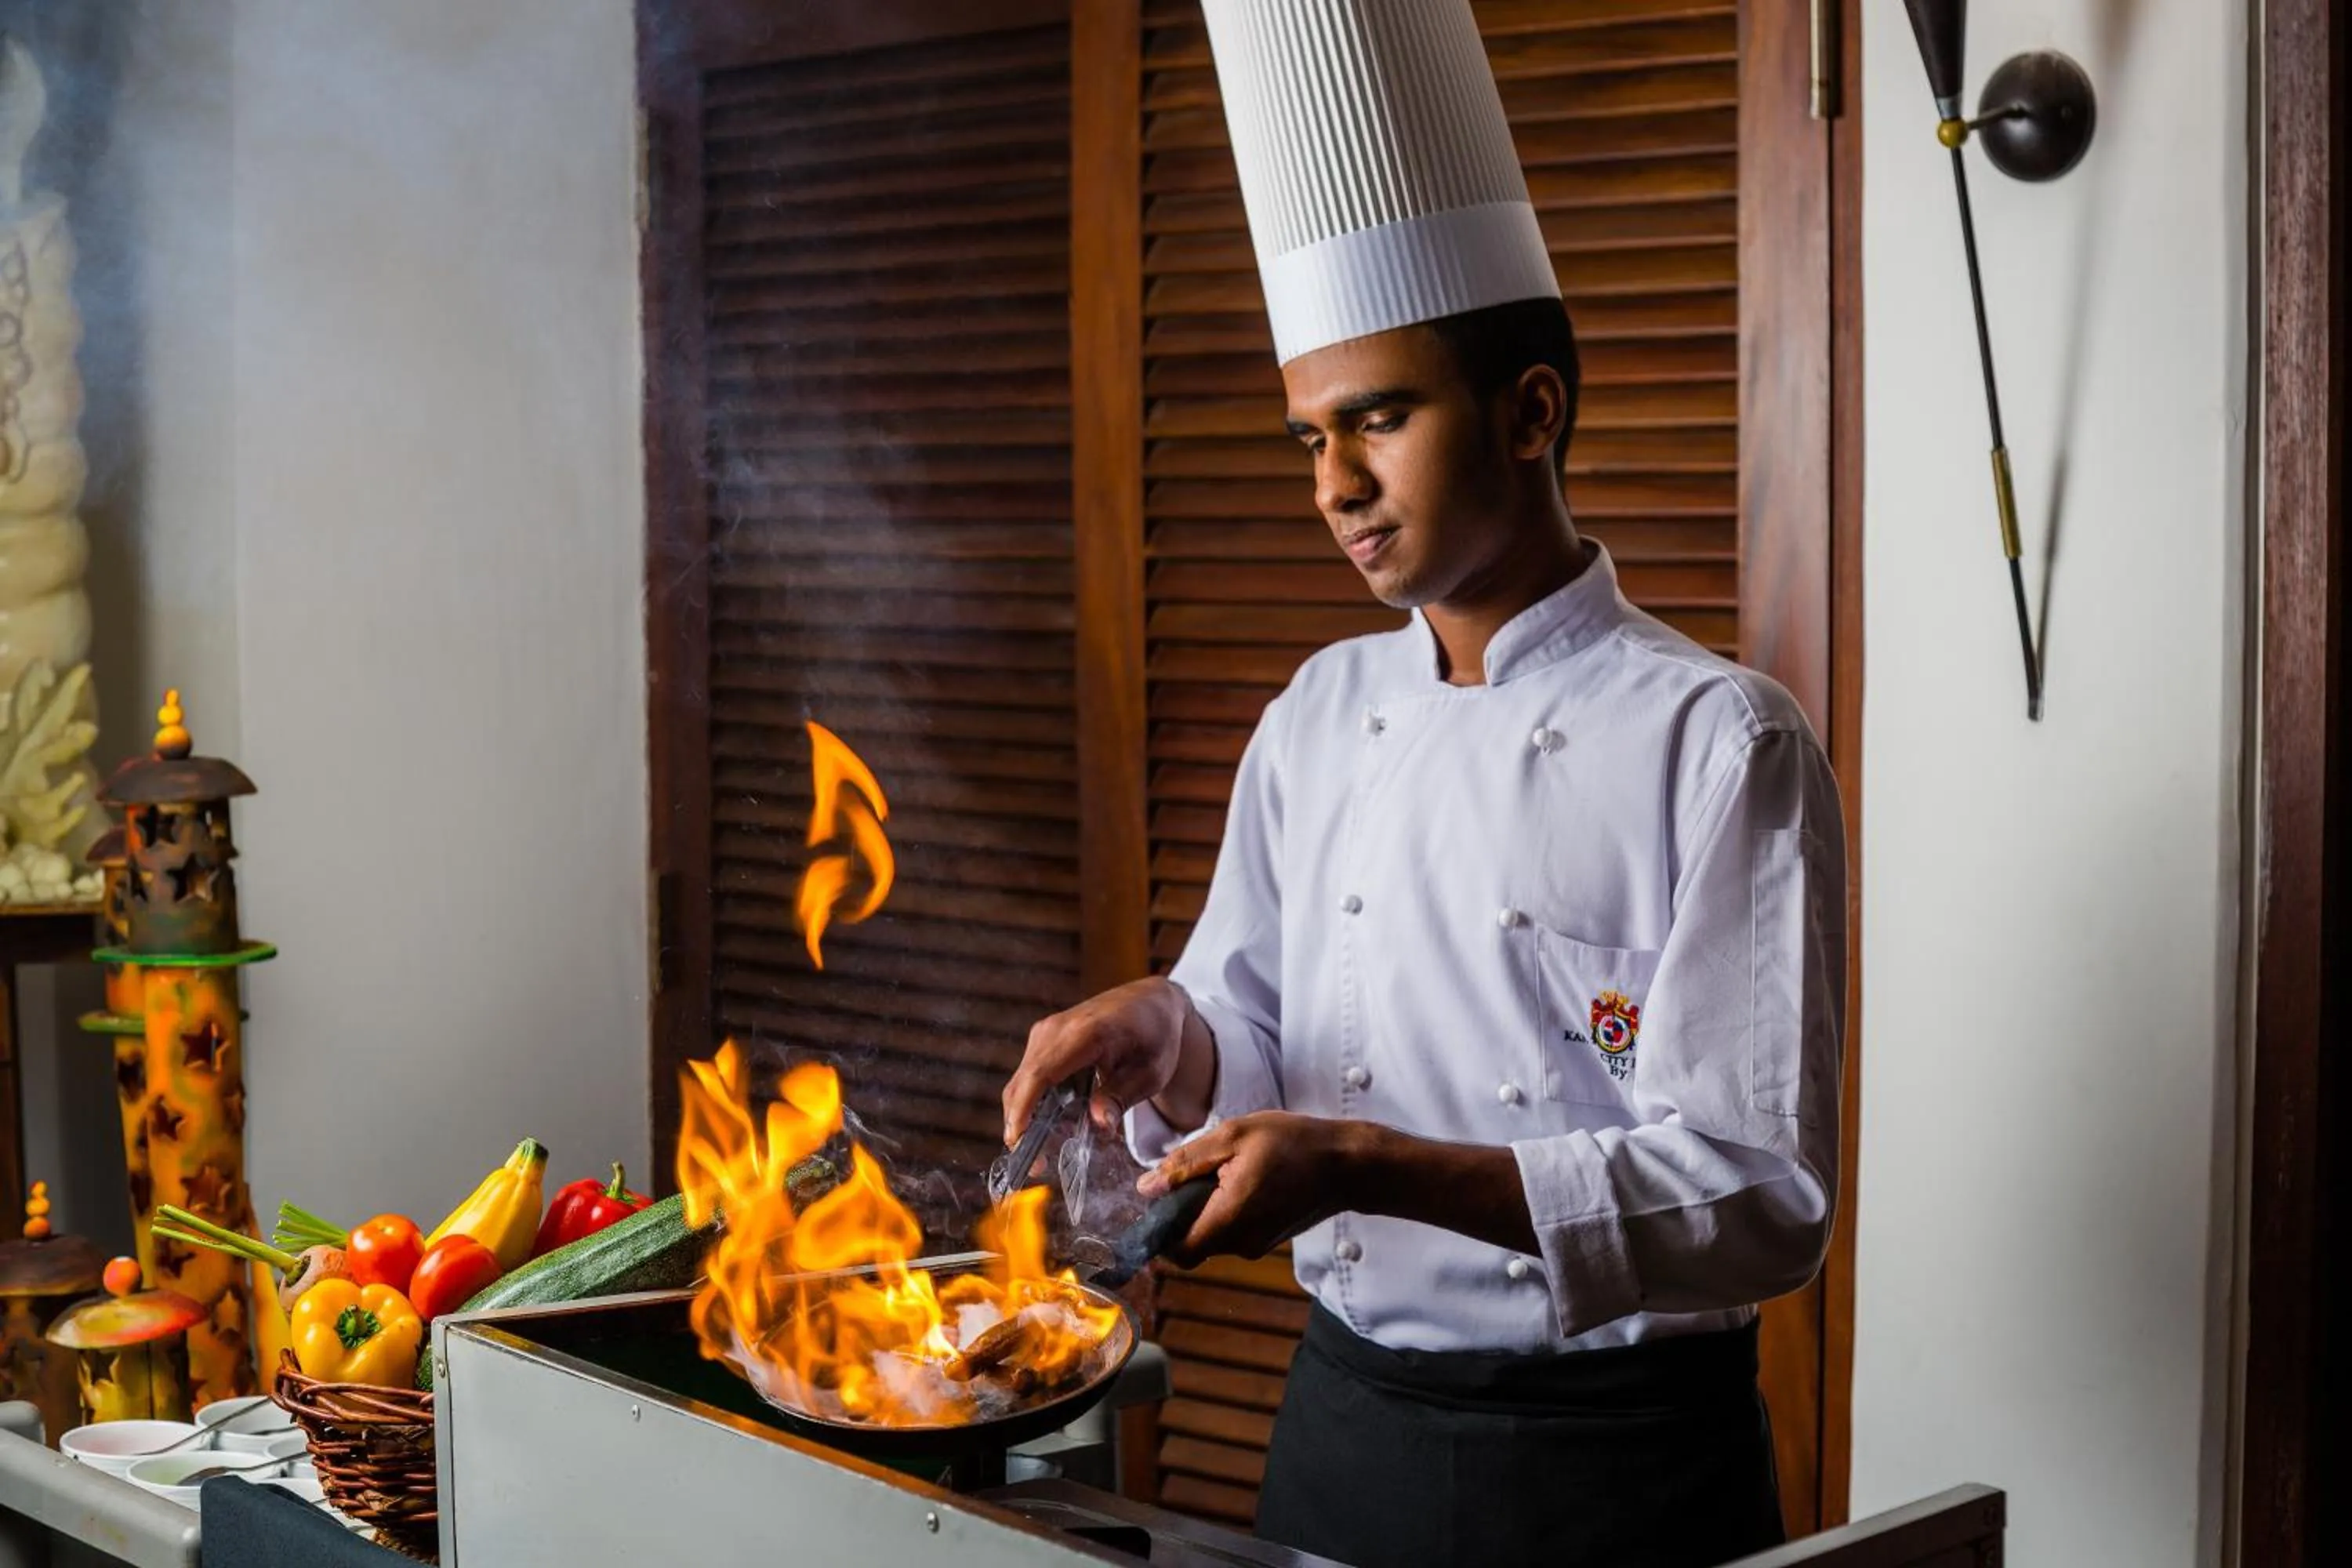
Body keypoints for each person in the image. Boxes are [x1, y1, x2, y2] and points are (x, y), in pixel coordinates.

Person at [1003, 4, 1846, 1564]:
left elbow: (1760, 1198)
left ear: (1529, 413)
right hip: (1342, 1428)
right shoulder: (1319, 711)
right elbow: (1257, 1034)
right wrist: (1166, 1035)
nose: (1332, 483)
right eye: (1310, 435)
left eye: (1380, 418)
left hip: (1618, 1466)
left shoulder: (1721, 740)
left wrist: (1371, 1165)